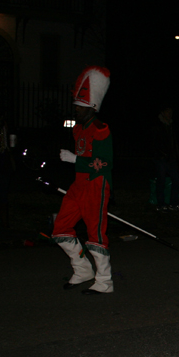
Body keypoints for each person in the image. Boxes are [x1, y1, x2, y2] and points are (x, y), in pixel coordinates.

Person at [52, 66, 114, 294]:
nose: (75, 110)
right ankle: (83, 270)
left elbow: (105, 163)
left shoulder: (101, 130)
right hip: (78, 186)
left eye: (79, 107)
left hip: (96, 186)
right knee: (61, 228)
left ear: (92, 107)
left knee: (95, 233)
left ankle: (105, 281)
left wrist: (75, 159)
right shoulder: (78, 129)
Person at [150, 106, 179, 211]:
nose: (170, 114)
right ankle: (161, 204)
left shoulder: (172, 125)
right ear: (163, 113)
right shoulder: (157, 125)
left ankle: (173, 203)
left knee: (176, 179)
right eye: (168, 112)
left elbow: (175, 142)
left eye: (171, 112)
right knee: (161, 180)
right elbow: (154, 143)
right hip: (161, 158)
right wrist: (161, 154)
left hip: (171, 158)